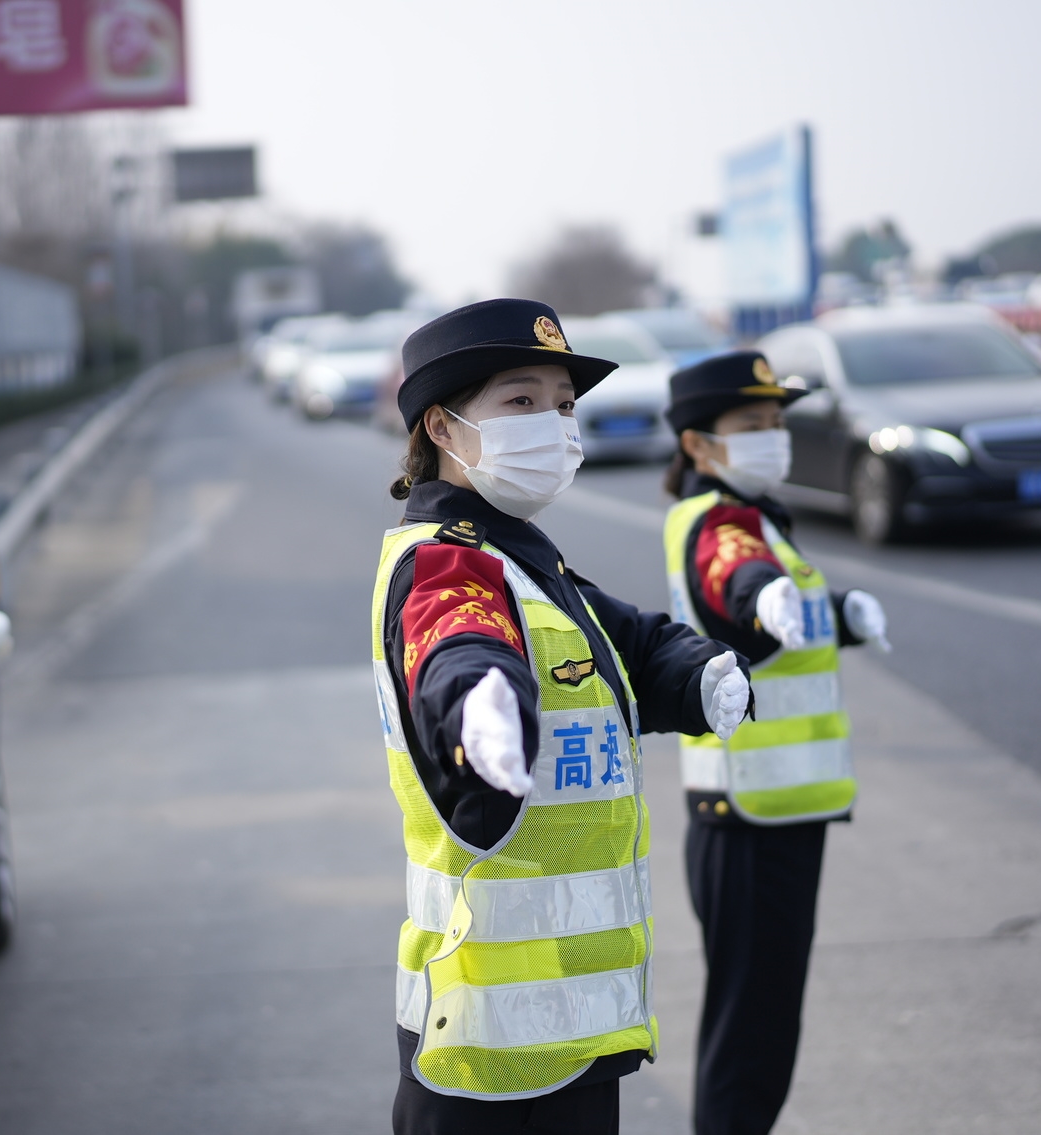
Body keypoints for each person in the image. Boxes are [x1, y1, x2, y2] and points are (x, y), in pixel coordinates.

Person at [372, 298, 755, 1135]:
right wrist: (477, 705)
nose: (553, 423)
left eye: (563, 404)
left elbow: (635, 642)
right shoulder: (449, 562)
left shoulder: (524, 562)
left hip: (567, 1030)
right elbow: (459, 643)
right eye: (520, 402)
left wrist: (698, 676)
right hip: (485, 1050)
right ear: (443, 425)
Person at [658, 351, 891, 1135]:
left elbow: (787, 603)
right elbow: (737, 577)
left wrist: (844, 609)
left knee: (765, 1022)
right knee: (750, 1034)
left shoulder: (756, 514)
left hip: (781, 811)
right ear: (699, 445)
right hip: (749, 816)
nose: (772, 437)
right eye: (751, 425)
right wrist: (764, 598)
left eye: (777, 422)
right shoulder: (717, 522)